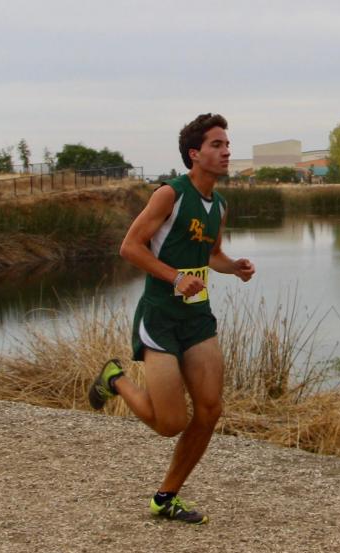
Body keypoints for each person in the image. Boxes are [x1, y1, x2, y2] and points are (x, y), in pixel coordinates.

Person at [87, 113, 254, 524]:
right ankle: (115, 379)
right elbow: (130, 247)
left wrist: (233, 266)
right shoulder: (170, 195)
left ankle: (166, 497)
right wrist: (175, 278)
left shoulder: (220, 205)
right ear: (194, 154)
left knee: (210, 410)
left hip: (197, 318)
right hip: (160, 315)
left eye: (227, 144)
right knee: (170, 424)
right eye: (217, 145)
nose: (226, 151)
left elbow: (211, 254)